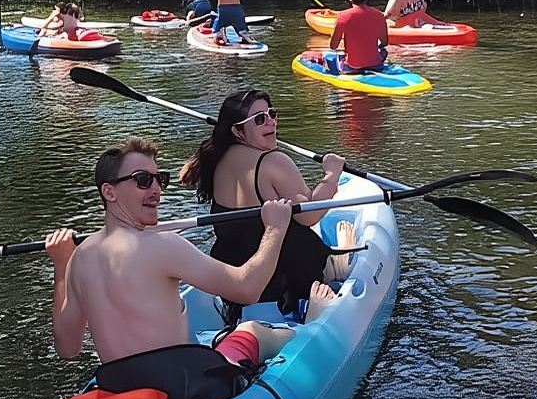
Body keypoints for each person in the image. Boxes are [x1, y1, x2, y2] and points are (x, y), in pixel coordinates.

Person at [44, 138, 338, 372]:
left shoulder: (79, 258)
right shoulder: (164, 246)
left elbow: (67, 348)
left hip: (121, 385)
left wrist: (61, 265)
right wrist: (275, 228)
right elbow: (247, 289)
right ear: (109, 192)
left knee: (217, 338)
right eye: (142, 180)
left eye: (161, 179)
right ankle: (312, 325)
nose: (156, 189)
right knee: (253, 330)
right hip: (184, 385)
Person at [179, 89, 356, 318]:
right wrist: (332, 175)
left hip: (236, 274)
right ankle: (322, 280)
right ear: (237, 131)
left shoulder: (216, 159)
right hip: (281, 278)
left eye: (271, 114)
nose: (271, 122)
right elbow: (309, 214)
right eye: (259, 119)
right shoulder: (274, 161)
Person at [329, 0, 390, 73]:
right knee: (383, 51)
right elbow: (384, 42)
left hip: (352, 66)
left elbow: (333, 46)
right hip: (376, 65)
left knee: (334, 56)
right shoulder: (379, 15)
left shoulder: (343, 16)